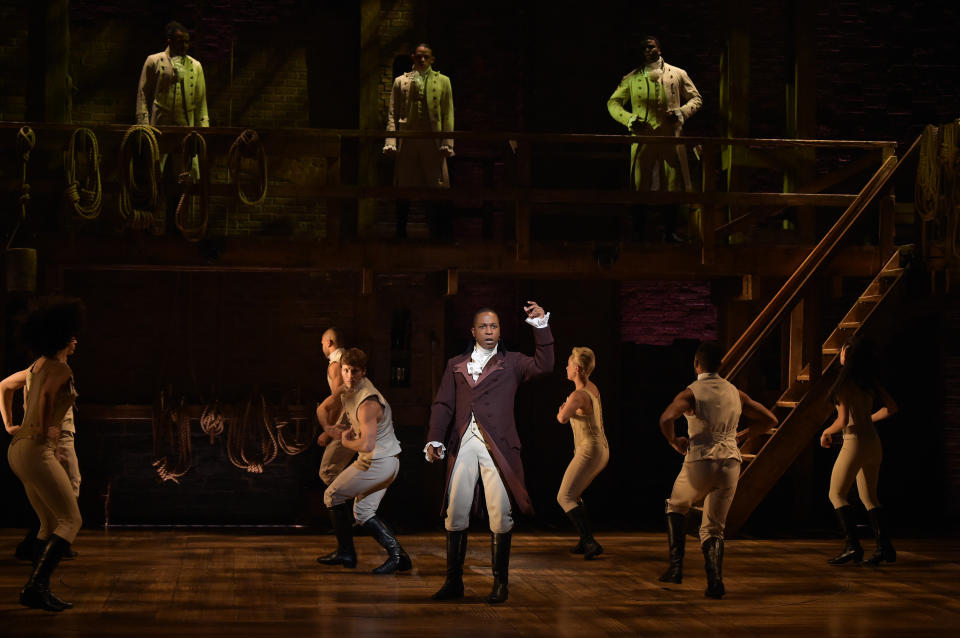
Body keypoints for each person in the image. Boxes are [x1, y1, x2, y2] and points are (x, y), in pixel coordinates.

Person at [426, 301, 554, 604]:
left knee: (500, 512)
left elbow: (545, 365)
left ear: (500, 331)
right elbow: (443, 404)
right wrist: (434, 439)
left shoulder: (514, 363)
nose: (488, 331)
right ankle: (453, 582)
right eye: (483, 326)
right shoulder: (455, 364)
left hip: (498, 446)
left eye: (493, 326)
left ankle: (500, 584)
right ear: (473, 331)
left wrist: (541, 326)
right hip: (464, 444)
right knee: (455, 511)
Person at [657, 341, 777, 599]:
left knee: (676, 506)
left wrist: (673, 440)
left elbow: (666, 418)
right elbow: (770, 420)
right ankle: (715, 582)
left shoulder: (691, 393)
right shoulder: (735, 392)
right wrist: (745, 434)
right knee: (713, 527)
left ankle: (676, 568)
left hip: (700, 459)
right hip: (731, 462)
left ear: (696, 364)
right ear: (721, 365)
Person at [1, 300, 84, 612]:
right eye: (72, 335)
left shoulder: (37, 366)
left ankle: (38, 585)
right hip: (36, 449)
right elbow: (49, 396)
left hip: (17, 449)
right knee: (71, 519)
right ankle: (35, 587)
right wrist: (49, 427)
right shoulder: (61, 368)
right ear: (60, 337)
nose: (76, 339)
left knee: (48, 523)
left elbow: (3, 386)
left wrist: (10, 424)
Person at [316, 348, 411, 574]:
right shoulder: (347, 388)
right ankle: (399, 557)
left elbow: (367, 445)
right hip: (378, 461)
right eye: (346, 370)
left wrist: (346, 441)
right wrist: (329, 428)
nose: (349, 376)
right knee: (363, 512)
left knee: (332, 495)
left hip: (379, 462)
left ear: (364, 372)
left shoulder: (368, 402)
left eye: (354, 371)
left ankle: (346, 552)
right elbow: (322, 408)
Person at [607, 35, 701, 241]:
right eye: (643, 49)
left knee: (672, 185)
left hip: (670, 139)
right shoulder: (631, 78)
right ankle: (639, 233)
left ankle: (670, 232)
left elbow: (696, 98)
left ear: (659, 48)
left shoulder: (678, 74)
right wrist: (629, 119)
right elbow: (613, 103)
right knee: (641, 185)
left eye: (650, 46)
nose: (647, 51)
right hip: (643, 140)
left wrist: (681, 112)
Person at [819, 336, 898, 566]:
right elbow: (892, 408)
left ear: (847, 355)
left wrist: (826, 432)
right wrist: (867, 419)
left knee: (836, 494)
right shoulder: (869, 382)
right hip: (873, 441)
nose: (840, 353)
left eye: (843, 350)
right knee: (870, 497)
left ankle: (853, 546)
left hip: (854, 442)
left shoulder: (843, 384)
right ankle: (885, 548)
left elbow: (842, 421)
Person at [383, 43, 454, 238]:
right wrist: (391, 141)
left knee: (436, 187)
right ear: (413, 57)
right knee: (403, 186)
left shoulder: (444, 82)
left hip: (432, 140)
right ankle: (400, 232)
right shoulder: (400, 82)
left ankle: (438, 233)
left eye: (426, 57)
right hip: (408, 140)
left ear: (432, 59)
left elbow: (448, 115)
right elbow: (393, 113)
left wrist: (447, 143)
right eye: (419, 56)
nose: (422, 60)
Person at [555, 347, 609, 560]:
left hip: (590, 450)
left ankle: (589, 542)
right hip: (600, 449)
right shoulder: (592, 388)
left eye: (569, 365)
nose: (566, 368)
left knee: (564, 496)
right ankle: (584, 540)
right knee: (574, 494)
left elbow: (561, 418)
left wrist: (563, 409)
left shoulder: (577, 395)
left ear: (576, 369)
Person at [136, 21, 209, 128]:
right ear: (170, 42)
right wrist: (143, 125)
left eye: (186, 42)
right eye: (180, 42)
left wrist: (203, 127)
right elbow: (143, 94)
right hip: (159, 123)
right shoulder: (153, 61)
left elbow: (200, 101)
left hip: (186, 125)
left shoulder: (196, 66)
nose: (184, 46)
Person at [315, 328, 354, 487]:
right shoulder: (348, 360)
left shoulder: (336, 365)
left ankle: (358, 510)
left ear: (329, 343)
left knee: (327, 472)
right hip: (360, 419)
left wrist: (327, 431)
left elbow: (338, 400)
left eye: (322, 343)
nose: (322, 346)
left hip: (348, 421)